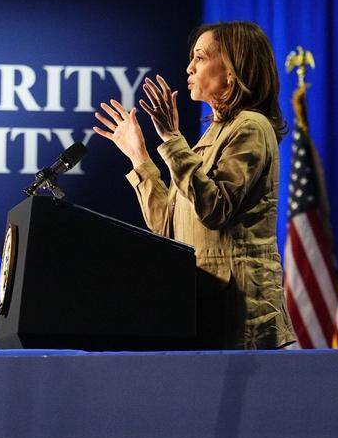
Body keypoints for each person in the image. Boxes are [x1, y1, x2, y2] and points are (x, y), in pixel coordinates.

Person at [92, 21, 296, 350]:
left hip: (241, 317)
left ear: (232, 70)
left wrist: (172, 139)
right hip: (205, 309)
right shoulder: (212, 136)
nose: (189, 67)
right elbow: (166, 227)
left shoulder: (251, 128)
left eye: (200, 57)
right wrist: (139, 156)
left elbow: (214, 209)